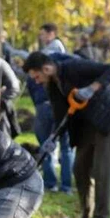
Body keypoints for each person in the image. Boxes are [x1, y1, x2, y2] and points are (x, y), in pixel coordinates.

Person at [23, 51, 110, 218]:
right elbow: (61, 116)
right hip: (87, 123)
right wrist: (51, 139)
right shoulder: (53, 86)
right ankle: (87, 217)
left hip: (109, 117)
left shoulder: (74, 67)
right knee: (79, 168)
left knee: (102, 170)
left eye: (37, 76)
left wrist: (92, 88)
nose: (36, 81)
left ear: (46, 68)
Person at [27, 52, 75, 193]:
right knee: (67, 148)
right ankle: (66, 186)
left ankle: (49, 183)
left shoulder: (33, 73)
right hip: (62, 108)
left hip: (42, 107)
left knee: (45, 145)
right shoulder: (60, 67)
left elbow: (32, 91)